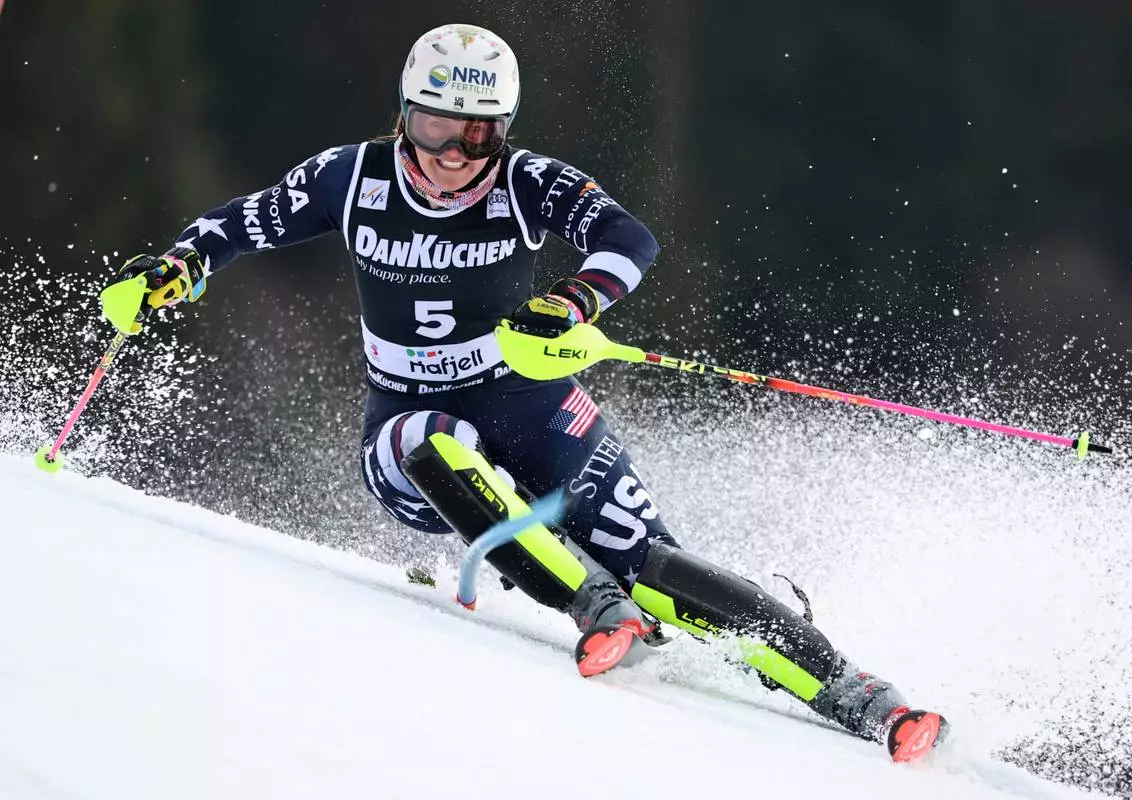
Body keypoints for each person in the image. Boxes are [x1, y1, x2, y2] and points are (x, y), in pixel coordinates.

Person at [111, 23, 945, 761]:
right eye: (435, 126)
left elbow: (627, 237)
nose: (450, 155)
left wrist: (574, 297)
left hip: (534, 407)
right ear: (404, 113)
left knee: (657, 570)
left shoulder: (526, 181)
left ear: (500, 131)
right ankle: (593, 610)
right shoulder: (351, 177)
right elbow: (242, 221)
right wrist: (180, 268)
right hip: (406, 422)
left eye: (474, 136)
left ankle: (865, 699)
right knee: (430, 440)